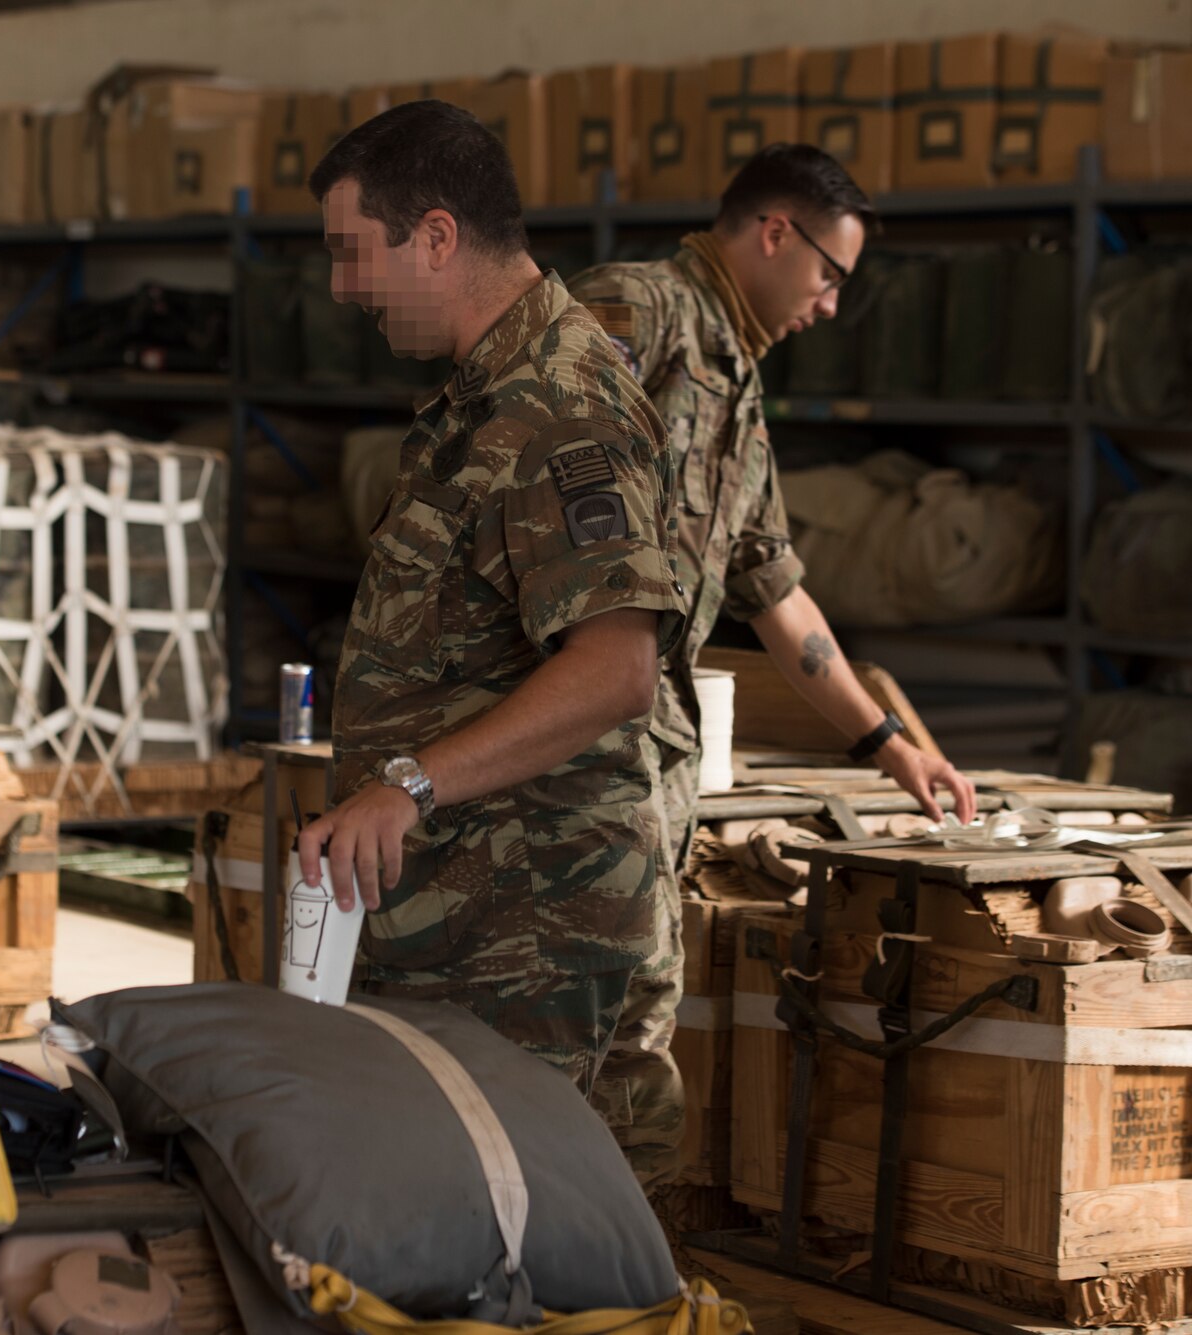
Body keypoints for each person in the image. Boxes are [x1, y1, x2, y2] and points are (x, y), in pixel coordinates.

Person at [568, 144, 977, 1189]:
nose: (829, 304)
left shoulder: (734, 380)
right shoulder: (637, 309)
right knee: (577, 1026)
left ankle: (603, 1268)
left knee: (626, 1024)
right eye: (828, 275)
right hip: (563, 748)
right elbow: (517, 472)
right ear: (772, 234)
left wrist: (889, 746)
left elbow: (770, 586)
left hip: (635, 745)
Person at [294, 101, 689, 1094]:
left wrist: (410, 784)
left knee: (533, 1225)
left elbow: (614, 669)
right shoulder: (482, 394)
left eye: (352, 254)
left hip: (532, 933)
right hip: (464, 918)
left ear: (434, 235)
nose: (342, 289)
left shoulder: (555, 404)